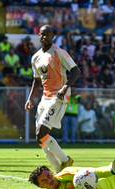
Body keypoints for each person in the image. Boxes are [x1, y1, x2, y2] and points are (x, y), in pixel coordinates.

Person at [25, 25, 81, 174]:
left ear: (53, 36)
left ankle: (65, 160)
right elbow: (37, 80)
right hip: (45, 97)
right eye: (43, 34)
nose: (45, 37)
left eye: (48, 34)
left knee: (40, 132)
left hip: (59, 96)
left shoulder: (59, 53)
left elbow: (76, 70)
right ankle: (58, 171)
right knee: (40, 139)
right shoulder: (35, 57)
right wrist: (30, 98)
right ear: (39, 35)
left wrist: (65, 87)